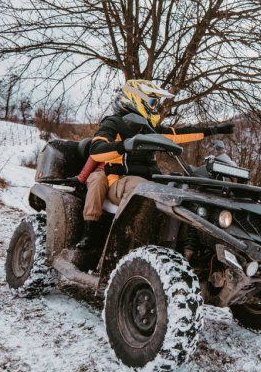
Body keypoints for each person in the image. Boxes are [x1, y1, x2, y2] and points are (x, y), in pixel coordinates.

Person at [76, 80, 234, 250]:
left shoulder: (149, 127)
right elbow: (96, 149)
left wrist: (215, 130)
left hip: (150, 179)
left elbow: (179, 134)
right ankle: (120, 243)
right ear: (135, 98)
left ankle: (188, 245)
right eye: (152, 102)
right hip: (119, 180)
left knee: (183, 187)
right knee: (141, 188)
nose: (155, 107)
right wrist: (124, 145)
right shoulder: (114, 122)